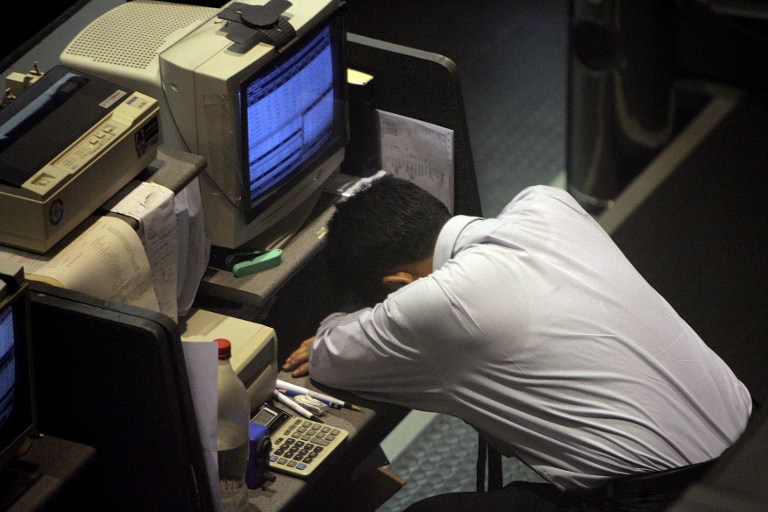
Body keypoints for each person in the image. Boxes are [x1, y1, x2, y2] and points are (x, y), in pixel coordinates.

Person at [282, 175, 753, 511]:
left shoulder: (431, 303)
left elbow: (327, 357)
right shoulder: (548, 204)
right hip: (749, 454)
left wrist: (350, 321)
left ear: (397, 283)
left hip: (661, 499)